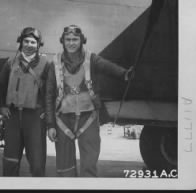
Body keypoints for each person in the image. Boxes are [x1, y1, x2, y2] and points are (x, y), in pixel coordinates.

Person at [45, 24, 135, 177]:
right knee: (65, 168)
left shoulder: (91, 59)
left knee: (89, 165)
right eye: (68, 39)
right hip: (63, 118)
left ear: (81, 41)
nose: (71, 43)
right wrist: (50, 124)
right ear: (63, 41)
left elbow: (107, 67)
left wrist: (124, 74)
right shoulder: (54, 62)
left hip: (88, 117)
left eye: (75, 39)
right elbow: (49, 94)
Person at [0, 27, 49, 177]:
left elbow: (52, 92)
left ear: (38, 45)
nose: (28, 44)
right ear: (20, 42)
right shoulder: (10, 63)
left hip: (35, 118)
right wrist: (2, 106)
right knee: (10, 161)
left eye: (33, 42)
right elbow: (0, 86)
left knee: (37, 163)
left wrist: (46, 112)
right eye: (26, 41)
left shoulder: (46, 65)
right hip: (12, 116)